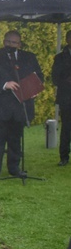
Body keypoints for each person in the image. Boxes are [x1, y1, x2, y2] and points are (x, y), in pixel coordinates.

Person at [0, 30, 44, 177]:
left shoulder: (29, 57)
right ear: (3, 42)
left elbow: (39, 76)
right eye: (8, 42)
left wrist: (31, 87)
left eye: (14, 43)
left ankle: (14, 168)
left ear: (20, 44)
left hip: (19, 107)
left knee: (15, 140)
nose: (10, 45)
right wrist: (4, 84)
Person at [52, 30, 71, 167]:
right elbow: (54, 78)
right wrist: (66, 80)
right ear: (67, 40)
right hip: (67, 98)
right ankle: (64, 156)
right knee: (66, 128)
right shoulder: (59, 58)